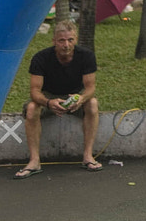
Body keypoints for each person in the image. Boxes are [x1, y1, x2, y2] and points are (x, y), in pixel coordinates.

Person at [15, 20, 100, 178]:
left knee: (93, 104)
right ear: (54, 41)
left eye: (70, 40)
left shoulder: (86, 56)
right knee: (32, 108)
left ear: (75, 39)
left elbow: (90, 88)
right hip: (49, 97)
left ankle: (88, 156)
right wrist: (48, 102)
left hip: (74, 97)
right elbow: (34, 91)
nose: (66, 45)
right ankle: (34, 161)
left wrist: (81, 99)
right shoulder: (41, 58)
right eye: (61, 40)